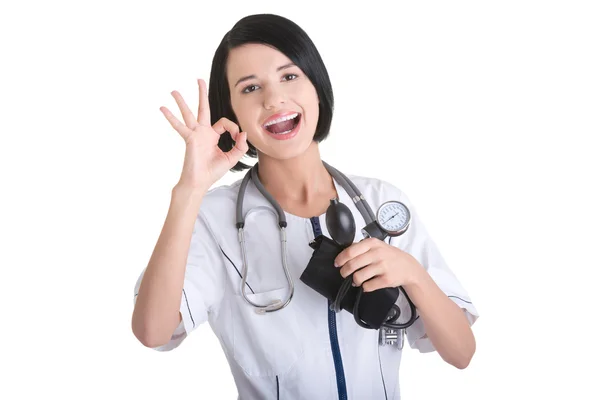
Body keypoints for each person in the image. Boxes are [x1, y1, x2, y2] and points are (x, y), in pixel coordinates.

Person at [132, 13, 479, 400]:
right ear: (230, 112)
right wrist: (189, 190)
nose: (273, 98)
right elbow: (153, 331)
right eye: (250, 88)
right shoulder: (213, 221)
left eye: (289, 76)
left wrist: (413, 274)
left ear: (317, 86)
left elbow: (461, 352)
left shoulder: (380, 201)